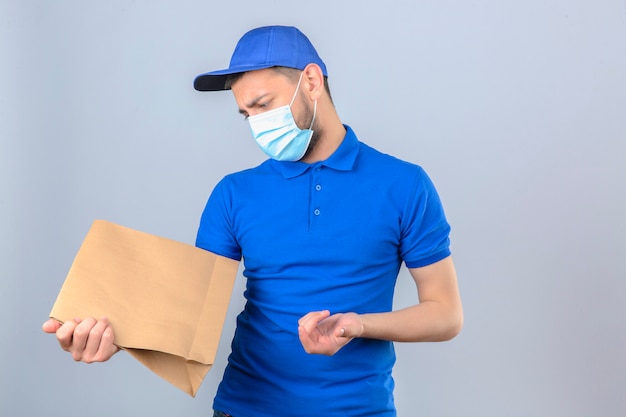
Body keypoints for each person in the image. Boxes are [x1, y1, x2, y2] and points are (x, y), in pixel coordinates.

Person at [43, 25, 463, 416]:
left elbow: (445, 313)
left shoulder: (404, 184)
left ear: (312, 81)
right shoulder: (234, 193)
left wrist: (358, 324)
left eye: (264, 105)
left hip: (358, 409)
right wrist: (115, 335)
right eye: (247, 114)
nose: (258, 124)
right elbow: (188, 310)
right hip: (243, 407)